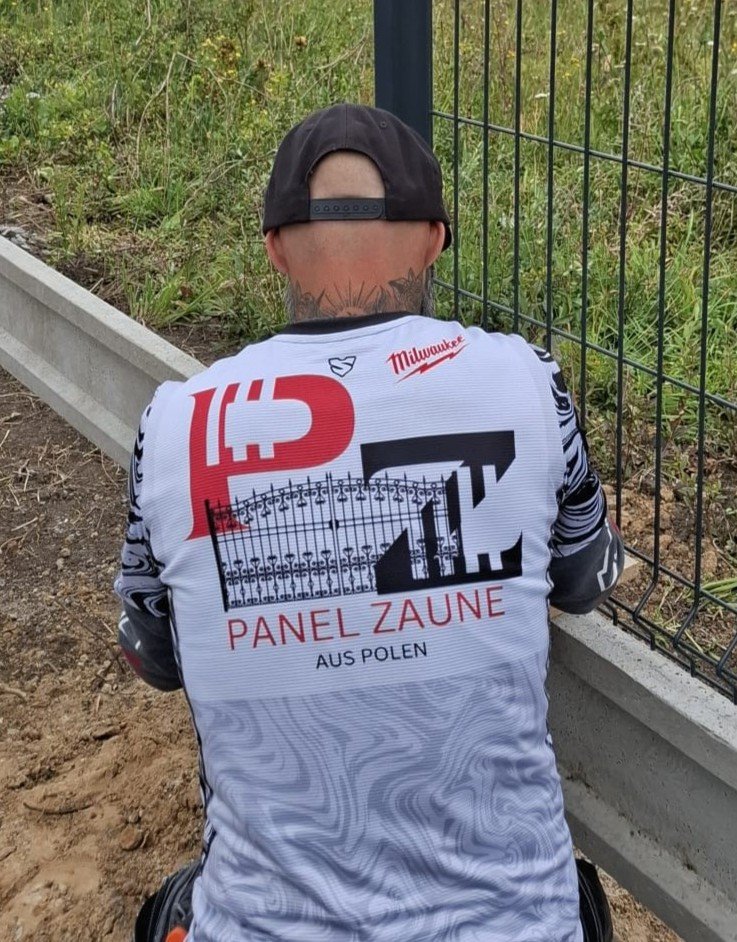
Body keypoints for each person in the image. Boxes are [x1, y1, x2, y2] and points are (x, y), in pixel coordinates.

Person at [115, 103, 622, 942]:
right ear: (434, 239)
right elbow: (583, 578)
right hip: (516, 928)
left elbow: (153, 655)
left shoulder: (173, 422)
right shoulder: (529, 382)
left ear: (274, 247)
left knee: (169, 908)